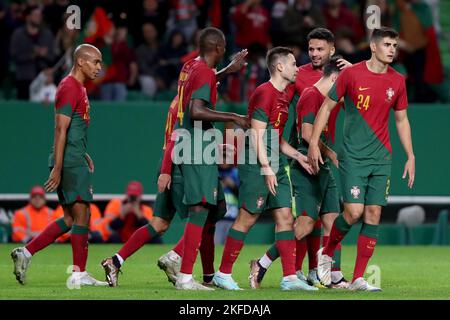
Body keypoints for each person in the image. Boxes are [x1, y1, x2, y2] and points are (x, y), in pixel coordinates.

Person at [100, 31, 249, 289]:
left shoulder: (189, 69)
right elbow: (192, 113)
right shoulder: (194, 96)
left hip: (175, 155)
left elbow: (206, 80)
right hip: (184, 154)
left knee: (164, 221)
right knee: (204, 210)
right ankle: (181, 264)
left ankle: (117, 260)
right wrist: (233, 117)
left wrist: (227, 70)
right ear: (220, 47)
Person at [308, 27, 415, 291]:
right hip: (353, 157)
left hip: (381, 158)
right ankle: (328, 251)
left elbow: (401, 120)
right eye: (387, 44)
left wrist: (411, 155)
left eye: (395, 45)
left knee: (373, 214)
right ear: (374, 47)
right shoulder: (351, 75)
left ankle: (357, 278)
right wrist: (313, 143)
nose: (392, 49)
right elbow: (327, 107)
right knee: (353, 213)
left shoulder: (397, 81)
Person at [213, 47, 317, 291]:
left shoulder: (283, 95)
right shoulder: (264, 93)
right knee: (247, 218)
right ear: (280, 67)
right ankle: (223, 273)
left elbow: (276, 138)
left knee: (285, 217)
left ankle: (289, 278)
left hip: (276, 163)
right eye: (293, 63)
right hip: (256, 164)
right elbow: (257, 136)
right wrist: (266, 168)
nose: (296, 68)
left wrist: (297, 156)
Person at [249, 56, 349, 290]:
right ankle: (261, 263)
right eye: (342, 84)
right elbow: (306, 134)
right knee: (303, 225)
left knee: (333, 223)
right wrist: (332, 153)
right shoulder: (311, 96)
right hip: (306, 167)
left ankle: (333, 275)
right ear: (335, 79)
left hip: (322, 167)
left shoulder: (325, 98)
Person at [11, 44, 107, 287]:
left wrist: (83, 153)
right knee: (82, 213)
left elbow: (73, 127)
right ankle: (79, 273)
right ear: (80, 62)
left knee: (69, 218)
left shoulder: (80, 88)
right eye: (95, 62)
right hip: (69, 161)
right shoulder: (68, 87)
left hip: (75, 156)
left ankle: (27, 252)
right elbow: (60, 128)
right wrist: (58, 166)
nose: (99, 67)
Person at [285, 27, 351, 287]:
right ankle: (293, 270)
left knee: (327, 217)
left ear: (332, 50)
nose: (314, 53)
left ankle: (324, 272)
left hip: (323, 149)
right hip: (302, 150)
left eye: (320, 49)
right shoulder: (297, 74)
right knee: (306, 219)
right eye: (311, 48)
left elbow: (367, 96)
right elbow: (279, 97)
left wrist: (356, 69)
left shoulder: (342, 75)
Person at [9, 5, 55, 100]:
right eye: (35, 15)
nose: (39, 17)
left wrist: (45, 54)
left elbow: (52, 56)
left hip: (43, 79)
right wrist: (33, 54)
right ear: (28, 17)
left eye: (40, 15)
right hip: (24, 78)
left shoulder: (47, 34)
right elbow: (14, 55)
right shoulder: (18, 34)